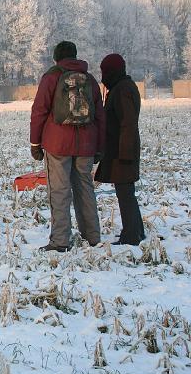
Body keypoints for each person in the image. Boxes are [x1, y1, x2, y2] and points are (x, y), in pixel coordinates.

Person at [30, 41, 105, 252]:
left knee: (60, 190)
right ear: (75, 56)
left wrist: (35, 142)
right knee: (85, 189)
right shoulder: (89, 79)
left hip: (58, 144)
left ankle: (60, 240)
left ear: (56, 58)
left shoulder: (52, 77)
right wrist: (99, 146)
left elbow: (39, 111)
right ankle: (92, 236)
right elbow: (100, 115)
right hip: (86, 144)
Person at [94, 54, 145, 245]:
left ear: (112, 71)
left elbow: (128, 124)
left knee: (125, 195)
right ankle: (136, 231)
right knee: (126, 193)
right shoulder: (121, 87)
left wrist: (124, 154)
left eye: (105, 71)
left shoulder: (123, 90)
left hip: (123, 152)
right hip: (121, 150)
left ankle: (131, 236)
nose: (103, 76)